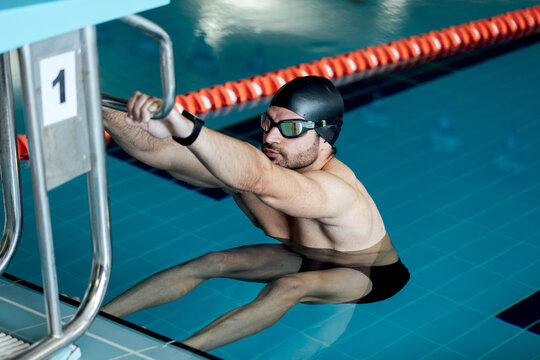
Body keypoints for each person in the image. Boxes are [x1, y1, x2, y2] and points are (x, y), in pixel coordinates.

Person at [101, 76, 409, 352]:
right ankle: (99, 317)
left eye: (290, 128)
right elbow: (158, 152)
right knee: (212, 261)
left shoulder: (335, 192)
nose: (271, 138)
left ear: (325, 136)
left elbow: (259, 177)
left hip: (366, 271)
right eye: (268, 122)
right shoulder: (262, 168)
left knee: (288, 286)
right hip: (304, 254)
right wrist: (92, 101)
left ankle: (178, 353)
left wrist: (185, 127)